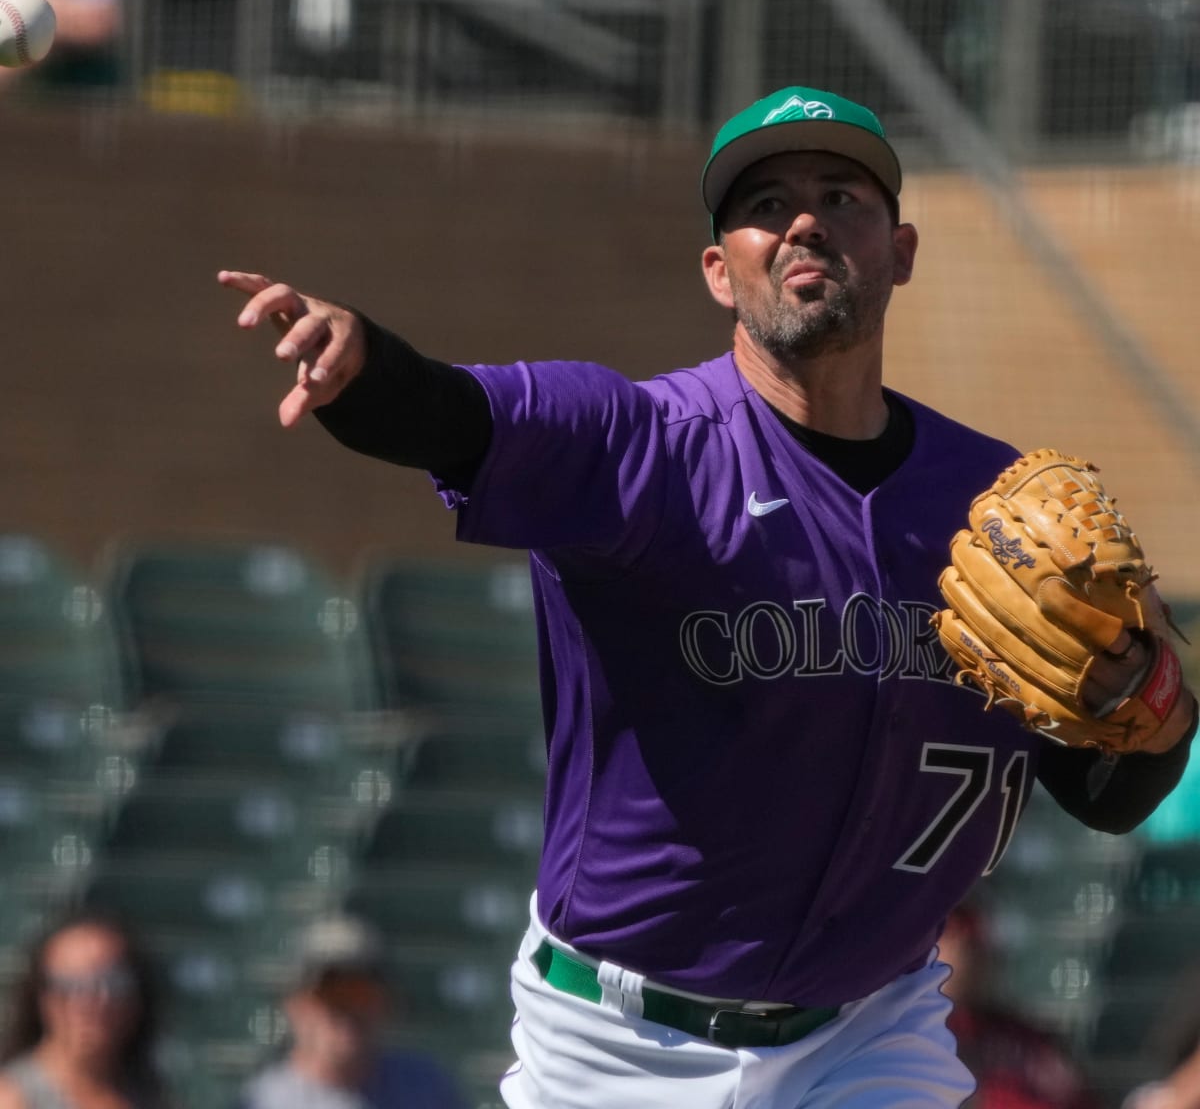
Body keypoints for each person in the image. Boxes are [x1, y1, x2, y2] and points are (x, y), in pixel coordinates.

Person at [222, 85, 1198, 1107]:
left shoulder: (993, 512)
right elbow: (457, 414)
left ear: (901, 252)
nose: (805, 220)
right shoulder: (637, 447)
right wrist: (358, 361)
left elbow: (1110, 796)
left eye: (841, 196)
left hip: (869, 1033)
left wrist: (1151, 685)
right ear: (718, 271)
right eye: (766, 204)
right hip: (619, 1046)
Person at [235, 914, 466, 1109]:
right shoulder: (261, 1102)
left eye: (360, 993)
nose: (347, 1011)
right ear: (296, 1005)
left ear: (386, 1003)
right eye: (330, 994)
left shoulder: (426, 1088)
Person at [937, 900, 1101, 1109]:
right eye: (951, 938)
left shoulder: (1023, 1036)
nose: (966, 956)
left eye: (974, 947)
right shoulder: (912, 1032)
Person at [0, 910, 169, 1109]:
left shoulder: (150, 1092)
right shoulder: (12, 1098)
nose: (90, 1001)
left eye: (113, 983)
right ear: (41, 998)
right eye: (68, 985)